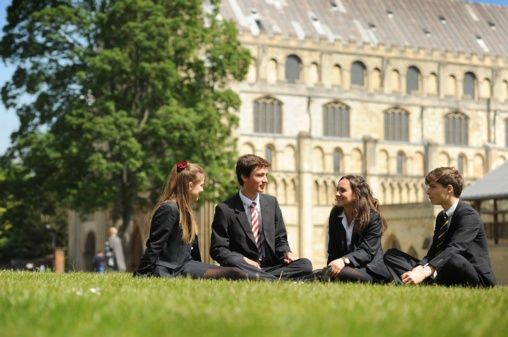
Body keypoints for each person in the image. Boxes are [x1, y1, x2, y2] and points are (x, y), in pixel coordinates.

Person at [134, 161, 250, 280]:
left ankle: (268, 278)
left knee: (237, 270)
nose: (202, 189)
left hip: (187, 265)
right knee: (235, 273)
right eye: (201, 185)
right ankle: (266, 279)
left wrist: (200, 268)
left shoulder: (185, 210)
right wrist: (141, 274)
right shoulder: (169, 209)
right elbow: (154, 245)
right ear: (190, 186)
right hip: (173, 269)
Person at [384, 167, 496, 287]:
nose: (428, 192)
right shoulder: (442, 217)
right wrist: (419, 268)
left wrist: (424, 273)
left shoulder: (468, 215)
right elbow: (433, 253)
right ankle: (423, 281)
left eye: (433, 187)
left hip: (476, 278)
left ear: (449, 189)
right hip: (443, 268)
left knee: (452, 259)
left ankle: (426, 280)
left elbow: (454, 249)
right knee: (392, 255)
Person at [210, 154, 313, 280]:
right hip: (244, 267)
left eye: (266, 175)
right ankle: (276, 278)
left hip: (272, 266)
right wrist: (244, 260)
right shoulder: (225, 209)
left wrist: (286, 253)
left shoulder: (272, 203)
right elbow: (218, 249)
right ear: (244, 177)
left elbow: (280, 240)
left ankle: (262, 278)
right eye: (260, 175)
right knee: (237, 271)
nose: (266, 180)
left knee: (305, 265)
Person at [322, 175, 390, 283]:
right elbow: (333, 250)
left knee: (344, 273)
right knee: (319, 273)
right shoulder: (335, 214)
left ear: (356, 194)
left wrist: (343, 261)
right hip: (345, 267)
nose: (337, 194)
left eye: (342, 190)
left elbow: (367, 252)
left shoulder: (372, 217)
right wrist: (330, 270)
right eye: (337, 190)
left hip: (370, 270)